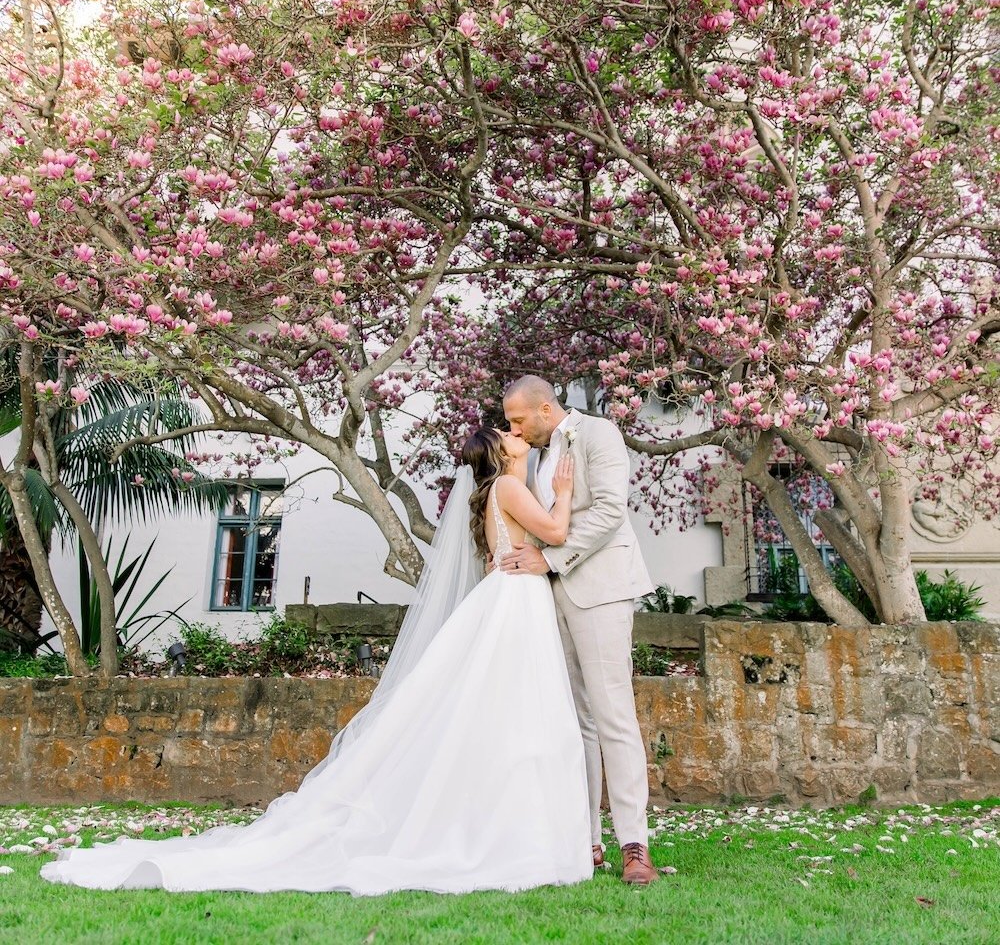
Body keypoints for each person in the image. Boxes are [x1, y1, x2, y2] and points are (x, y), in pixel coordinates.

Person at [40, 428, 593, 895]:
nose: (517, 434)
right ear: (502, 453)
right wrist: (564, 493)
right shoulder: (512, 487)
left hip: (511, 599)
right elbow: (557, 532)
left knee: (514, 715)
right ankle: (521, 832)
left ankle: (515, 827)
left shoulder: (500, 489)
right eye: (509, 433)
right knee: (523, 713)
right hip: (515, 603)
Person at [500, 375, 658, 886]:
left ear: (545, 409)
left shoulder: (598, 434)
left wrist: (549, 559)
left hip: (601, 588)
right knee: (577, 721)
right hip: (550, 597)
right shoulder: (535, 455)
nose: (513, 429)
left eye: (518, 419)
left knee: (614, 715)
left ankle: (634, 844)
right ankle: (586, 838)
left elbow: (611, 510)